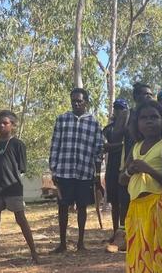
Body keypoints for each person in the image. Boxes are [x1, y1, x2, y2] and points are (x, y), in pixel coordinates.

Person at [119, 100, 162, 272]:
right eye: (144, 118)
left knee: (159, 254)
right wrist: (130, 171)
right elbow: (122, 179)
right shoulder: (135, 147)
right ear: (137, 123)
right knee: (140, 254)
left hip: (158, 207)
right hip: (136, 208)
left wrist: (148, 169)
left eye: (154, 117)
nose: (149, 121)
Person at [49, 88, 104, 253]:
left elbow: (98, 150)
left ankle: (81, 243)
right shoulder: (62, 120)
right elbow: (55, 145)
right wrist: (53, 170)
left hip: (84, 172)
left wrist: (96, 174)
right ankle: (63, 243)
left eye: (79, 101)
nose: (76, 103)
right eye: (73, 100)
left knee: (82, 207)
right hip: (64, 171)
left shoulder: (94, 123)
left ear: (86, 102)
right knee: (63, 207)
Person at [0, 111, 39, 265]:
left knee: (21, 219)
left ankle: (34, 253)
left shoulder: (18, 145)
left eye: (5, 123)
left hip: (12, 189)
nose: (1, 125)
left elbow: (21, 168)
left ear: (13, 125)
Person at [109, 82, 154, 250]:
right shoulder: (130, 114)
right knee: (126, 202)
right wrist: (125, 117)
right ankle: (124, 236)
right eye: (144, 94)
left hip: (152, 163)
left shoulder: (155, 113)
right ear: (135, 97)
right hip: (130, 162)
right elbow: (116, 135)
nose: (148, 97)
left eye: (150, 94)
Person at [102, 98, 129, 248]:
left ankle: (124, 232)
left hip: (125, 167)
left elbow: (114, 145)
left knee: (125, 201)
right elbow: (104, 146)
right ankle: (115, 232)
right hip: (112, 168)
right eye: (116, 108)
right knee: (114, 202)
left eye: (121, 108)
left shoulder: (130, 127)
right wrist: (115, 146)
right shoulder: (108, 129)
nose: (118, 111)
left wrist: (112, 146)